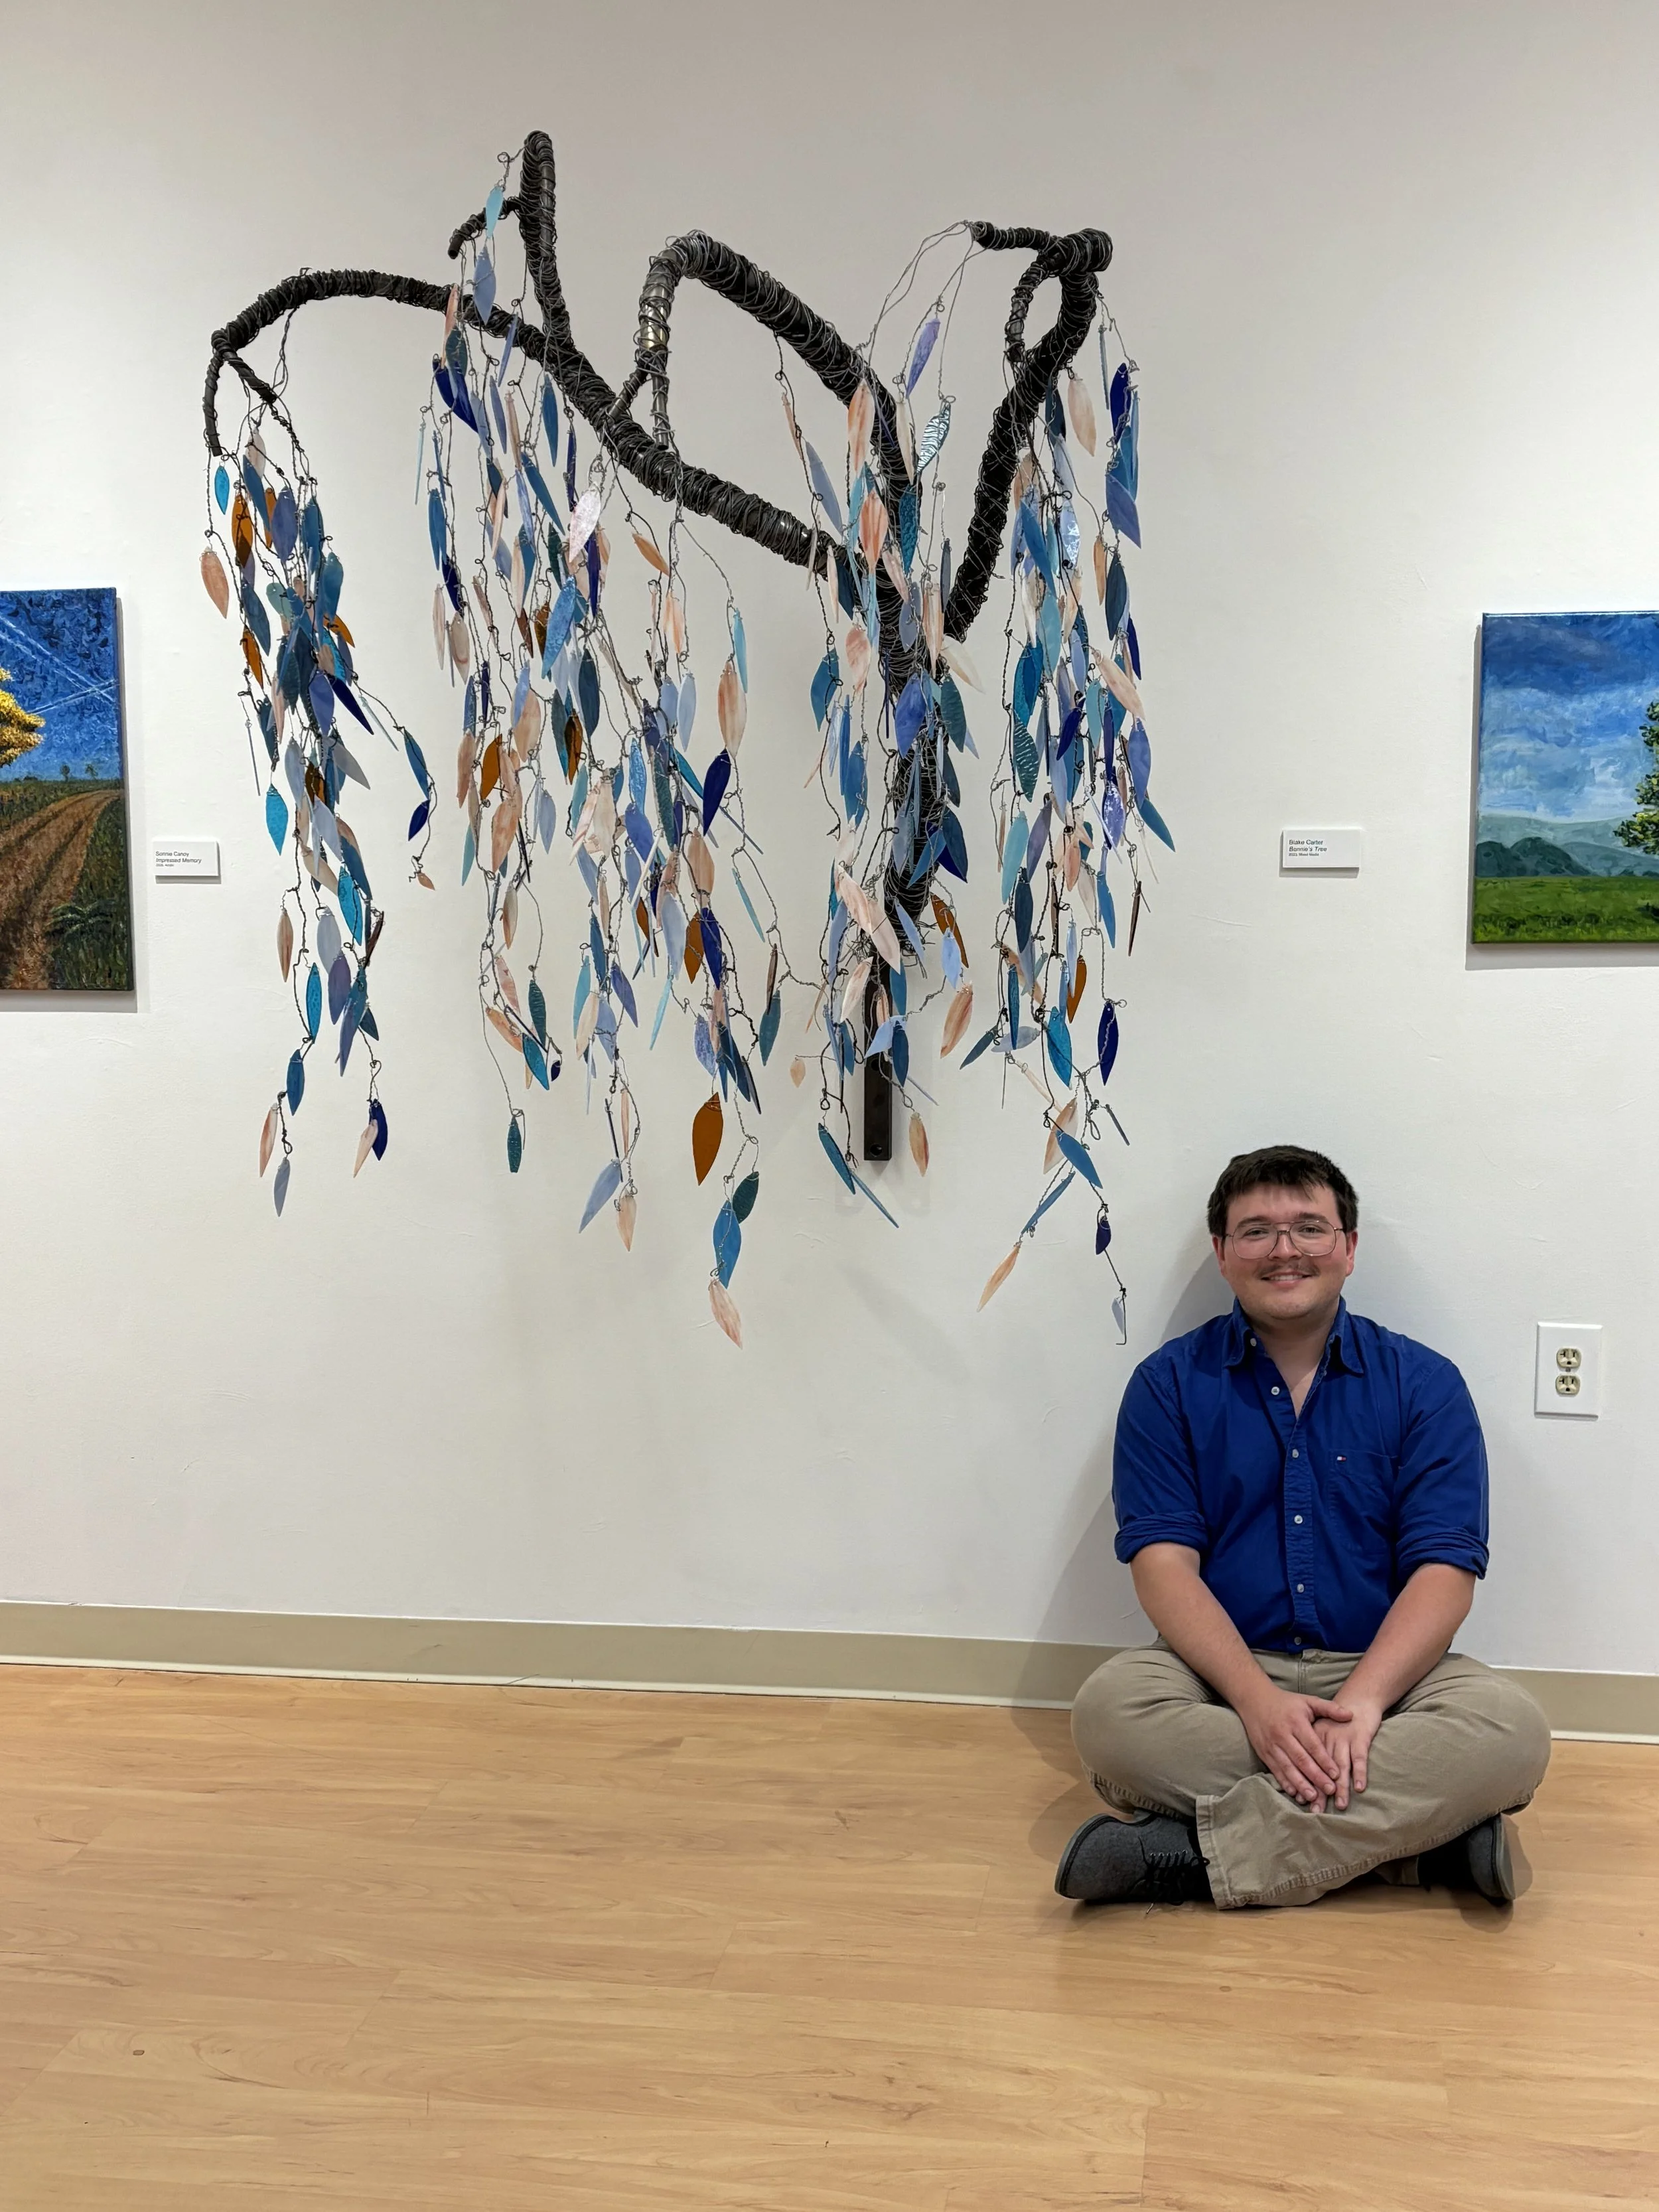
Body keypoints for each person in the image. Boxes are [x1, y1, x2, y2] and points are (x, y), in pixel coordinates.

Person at [1056, 1143, 1550, 1911]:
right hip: (1219, 1675)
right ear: (1222, 1254)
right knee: (1110, 1715)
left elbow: (1444, 1572)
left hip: (1388, 1677)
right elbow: (1162, 1569)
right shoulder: (1166, 1386)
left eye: (1309, 1228)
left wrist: (1363, 1705)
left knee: (1512, 1734)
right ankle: (1421, 1846)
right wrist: (1255, 1701)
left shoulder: (1425, 1384)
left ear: (1348, 1249)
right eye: (1255, 1231)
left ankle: (1190, 1858)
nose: (1284, 1250)